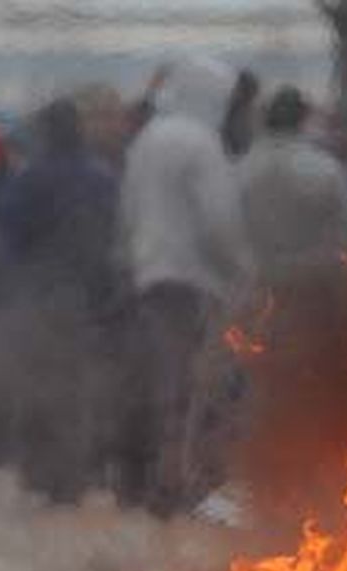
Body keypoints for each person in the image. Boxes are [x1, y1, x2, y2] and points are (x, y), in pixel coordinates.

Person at [118, 56, 254, 516]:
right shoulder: (202, 143)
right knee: (200, 386)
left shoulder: (147, 140)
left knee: (165, 384)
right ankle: (185, 486)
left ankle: (158, 483)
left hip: (150, 276)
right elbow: (220, 221)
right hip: (195, 281)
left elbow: (129, 210)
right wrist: (240, 272)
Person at [0, 97, 121, 503]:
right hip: (89, 295)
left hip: (40, 294)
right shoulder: (101, 177)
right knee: (79, 386)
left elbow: (11, 238)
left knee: (38, 384)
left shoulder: (30, 178)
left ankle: (40, 472)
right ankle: (75, 473)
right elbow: (114, 234)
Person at [237, 87, 347, 285]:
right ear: (304, 120)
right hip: (314, 281)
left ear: (264, 120)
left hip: (257, 282)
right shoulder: (327, 169)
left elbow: (225, 229)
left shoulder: (240, 169)